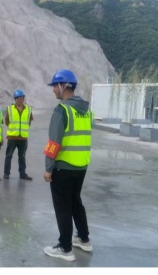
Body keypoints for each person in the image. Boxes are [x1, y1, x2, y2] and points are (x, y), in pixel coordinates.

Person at [43, 69, 94, 262]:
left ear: (63, 86)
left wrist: (48, 168)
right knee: (75, 202)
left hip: (63, 167)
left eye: (54, 86)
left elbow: (53, 143)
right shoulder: (86, 111)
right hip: (81, 166)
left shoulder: (62, 110)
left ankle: (65, 248)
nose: (53, 90)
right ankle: (84, 238)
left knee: (63, 207)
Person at [3, 89, 34, 180]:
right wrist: (14, 129)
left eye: (21, 98)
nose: (20, 100)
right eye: (18, 98)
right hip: (12, 137)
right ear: (15, 99)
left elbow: (29, 121)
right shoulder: (10, 109)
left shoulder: (28, 109)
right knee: (9, 156)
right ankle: (6, 173)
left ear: (23, 99)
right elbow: (7, 121)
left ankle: (22, 174)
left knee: (22, 157)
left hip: (23, 138)